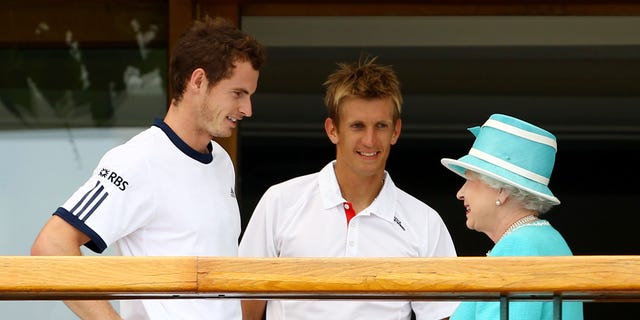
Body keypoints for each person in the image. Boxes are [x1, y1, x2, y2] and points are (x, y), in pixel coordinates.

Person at [30, 16, 266, 320]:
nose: (248, 110)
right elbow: (51, 246)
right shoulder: (137, 160)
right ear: (198, 81)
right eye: (238, 93)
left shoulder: (220, 161)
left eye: (250, 96)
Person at [239, 57, 459, 320]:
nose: (369, 140)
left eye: (381, 126)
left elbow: (443, 317)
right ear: (333, 130)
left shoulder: (425, 222)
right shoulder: (280, 201)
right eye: (357, 126)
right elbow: (243, 308)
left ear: (396, 131)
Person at [440, 113, 584, 319]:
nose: (460, 193)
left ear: (502, 191)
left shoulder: (519, 246)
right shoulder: (546, 239)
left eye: (470, 180)